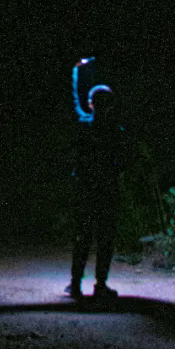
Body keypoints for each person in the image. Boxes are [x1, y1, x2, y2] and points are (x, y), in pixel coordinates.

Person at [66, 81, 124, 305]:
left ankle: (76, 283)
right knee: (105, 238)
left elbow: (72, 101)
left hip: (85, 189)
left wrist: (75, 71)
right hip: (107, 189)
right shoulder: (115, 131)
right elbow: (123, 161)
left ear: (91, 104)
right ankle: (100, 285)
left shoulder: (83, 127)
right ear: (110, 105)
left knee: (82, 237)